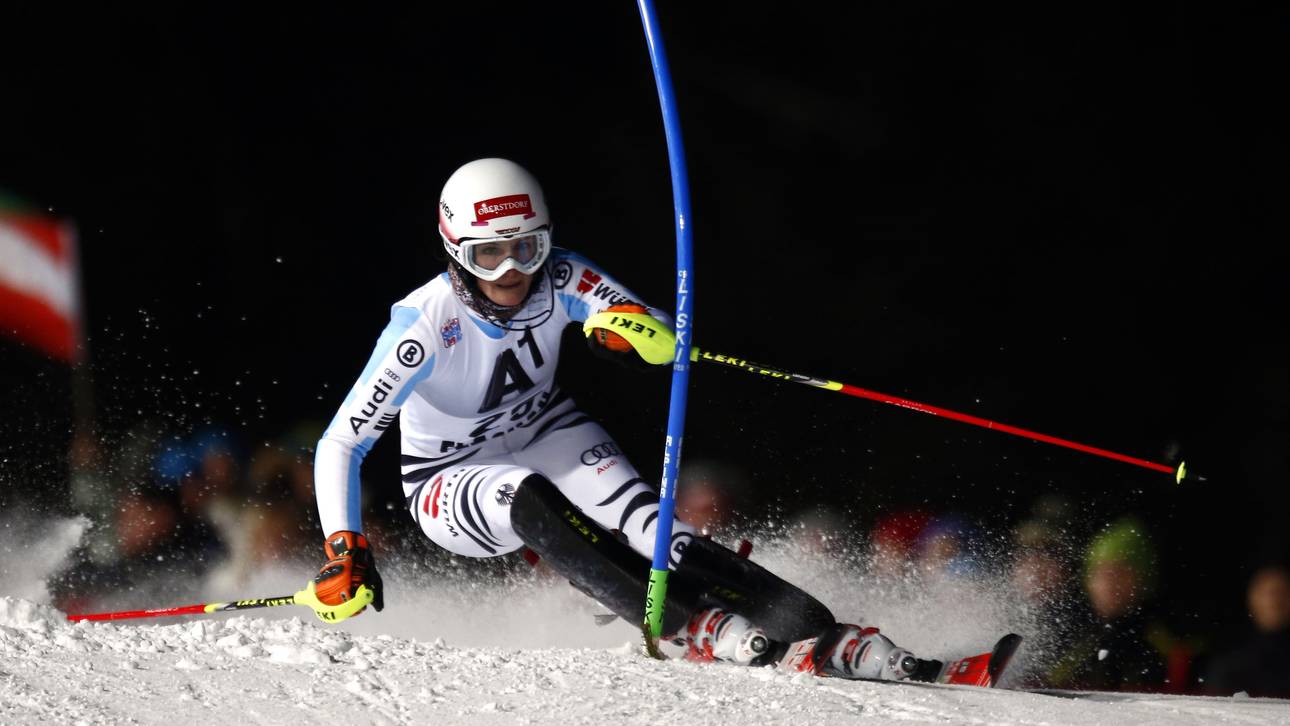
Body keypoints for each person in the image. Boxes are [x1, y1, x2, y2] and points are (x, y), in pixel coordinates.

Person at [308, 158, 942, 682]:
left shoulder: (561, 275)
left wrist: (634, 335)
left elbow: (654, 327)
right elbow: (343, 441)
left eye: (525, 248)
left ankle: (821, 631)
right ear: (454, 252)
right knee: (523, 496)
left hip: (545, 429)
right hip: (450, 476)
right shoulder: (421, 327)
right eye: (488, 256)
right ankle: (682, 623)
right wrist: (345, 547)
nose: (512, 274)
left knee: (650, 525)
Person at [1203, 564, 1290, 697]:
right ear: (1251, 598)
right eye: (1267, 593)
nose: (1274, 601)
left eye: (1283, 592)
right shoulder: (1228, 666)